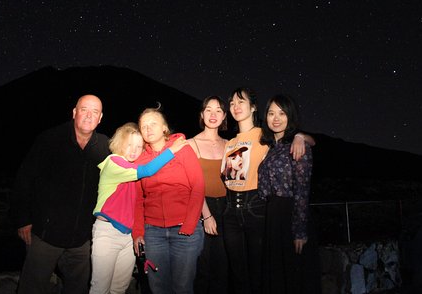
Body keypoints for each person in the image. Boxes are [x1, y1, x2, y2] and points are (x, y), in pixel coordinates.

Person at [10, 94, 110, 294]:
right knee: (32, 287)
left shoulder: (106, 146)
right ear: (74, 113)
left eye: (95, 112)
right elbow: (24, 180)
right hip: (45, 235)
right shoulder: (49, 140)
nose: (89, 116)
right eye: (84, 110)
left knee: (77, 288)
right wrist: (23, 219)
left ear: (100, 118)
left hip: (82, 239)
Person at [220, 88, 313, 294]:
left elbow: (302, 189)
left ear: (253, 108)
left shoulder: (264, 137)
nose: (235, 107)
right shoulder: (231, 142)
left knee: (263, 270)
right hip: (237, 209)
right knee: (240, 271)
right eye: (271, 113)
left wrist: (300, 136)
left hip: (258, 207)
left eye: (241, 102)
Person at [90, 122, 189, 294]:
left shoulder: (132, 168)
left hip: (127, 236)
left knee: (119, 288)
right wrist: (172, 150)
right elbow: (148, 170)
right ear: (119, 143)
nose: (134, 150)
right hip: (107, 233)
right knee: (100, 288)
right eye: (129, 145)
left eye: (138, 146)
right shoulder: (114, 162)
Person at [132, 105, 205, 294]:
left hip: (184, 231)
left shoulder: (182, 149)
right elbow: (138, 199)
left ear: (164, 127)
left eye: (153, 124)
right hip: (153, 233)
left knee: (182, 287)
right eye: (143, 126)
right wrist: (138, 232)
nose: (148, 128)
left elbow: (198, 186)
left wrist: (189, 226)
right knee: (158, 287)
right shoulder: (140, 159)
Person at [258, 94, 313, 293]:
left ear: (290, 115)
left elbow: (302, 190)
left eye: (281, 113)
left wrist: (300, 230)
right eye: (271, 113)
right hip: (271, 215)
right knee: (275, 276)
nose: (276, 118)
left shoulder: (299, 145)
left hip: (289, 214)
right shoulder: (271, 148)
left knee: (293, 275)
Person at [188, 96, 230, 294]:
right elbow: (193, 184)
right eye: (208, 110)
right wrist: (207, 215)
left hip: (228, 209)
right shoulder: (191, 144)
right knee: (202, 267)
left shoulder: (231, 144)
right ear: (202, 114)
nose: (213, 115)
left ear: (224, 116)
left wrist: (300, 137)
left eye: (218, 110)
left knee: (223, 267)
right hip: (202, 208)